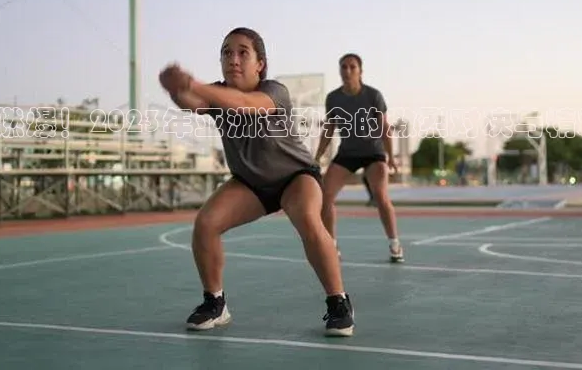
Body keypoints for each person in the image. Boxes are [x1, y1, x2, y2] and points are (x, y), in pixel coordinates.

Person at [158, 27, 355, 336]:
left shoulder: (274, 91)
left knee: (306, 217)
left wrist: (192, 84)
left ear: (260, 63)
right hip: (250, 183)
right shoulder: (216, 92)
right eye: (226, 52)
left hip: (296, 176)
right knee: (206, 223)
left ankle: (339, 302)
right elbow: (191, 103)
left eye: (242, 52)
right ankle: (215, 302)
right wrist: (174, 89)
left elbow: (243, 104)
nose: (232, 59)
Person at [314, 53, 404, 263]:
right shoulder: (334, 98)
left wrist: (390, 157)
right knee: (325, 197)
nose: (347, 71)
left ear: (360, 71)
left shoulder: (373, 95)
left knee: (380, 196)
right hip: (347, 154)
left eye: (352, 67)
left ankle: (395, 244)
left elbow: (384, 128)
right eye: (343, 67)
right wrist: (317, 157)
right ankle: (332, 245)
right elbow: (329, 130)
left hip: (373, 152)